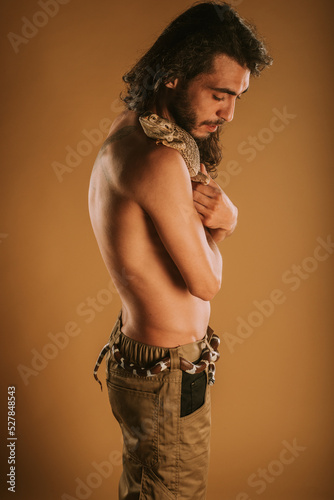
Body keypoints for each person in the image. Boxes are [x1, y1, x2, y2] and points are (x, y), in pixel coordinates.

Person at [89, 2, 272, 498]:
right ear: (173, 75)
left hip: (145, 364)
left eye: (238, 96)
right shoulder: (160, 160)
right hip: (168, 376)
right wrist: (225, 226)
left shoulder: (126, 132)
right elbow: (206, 282)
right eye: (219, 94)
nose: (229, 112)